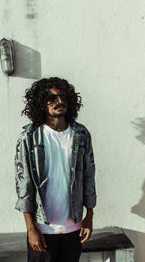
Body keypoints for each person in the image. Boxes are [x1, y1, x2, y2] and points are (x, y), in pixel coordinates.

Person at [14, 77, 97, 262]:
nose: (59, 101)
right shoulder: (29, 137)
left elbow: (89, 176)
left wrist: (89, 215)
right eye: (51, 98)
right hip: (42, 228)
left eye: (62, 97)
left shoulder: (81, 135)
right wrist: (31, 228)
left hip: (73, 227)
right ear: (41, 104)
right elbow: (24, 185)